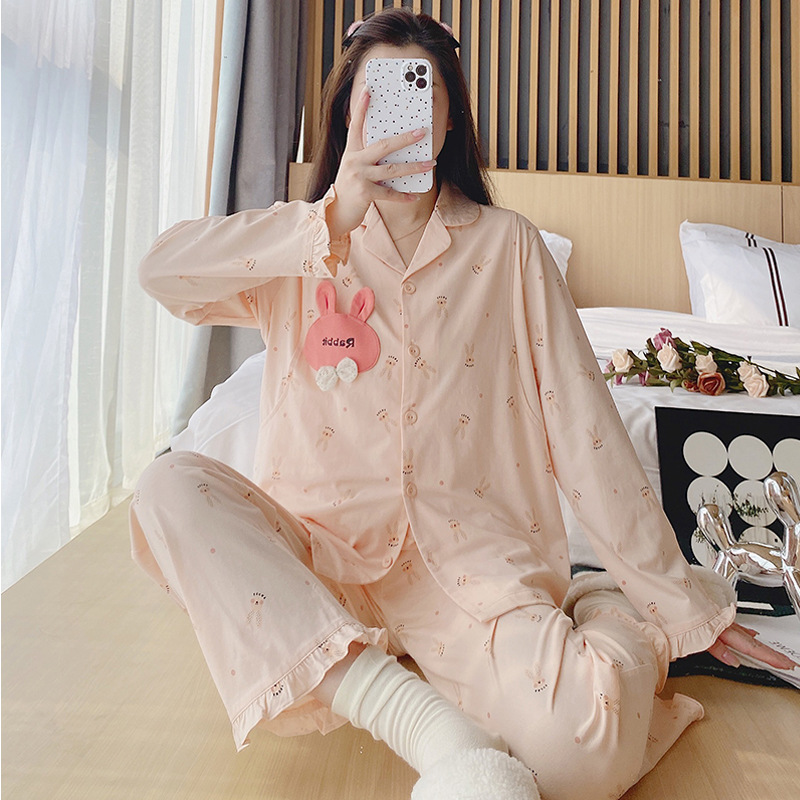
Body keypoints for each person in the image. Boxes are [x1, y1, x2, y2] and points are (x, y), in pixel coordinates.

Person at [129, 9, 795, 800]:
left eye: (418, 92)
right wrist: (328, 217)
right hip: (322, 560)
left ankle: (601, 602)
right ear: (347, 114)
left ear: (448, 117)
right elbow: (162, 272)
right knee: (167, 485)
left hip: (469, 571)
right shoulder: (301, 246)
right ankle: (421, 724)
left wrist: (678, 604)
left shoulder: (509, 247)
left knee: (585, 759)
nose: (396, 114)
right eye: (373, 95)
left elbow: (585, 431)